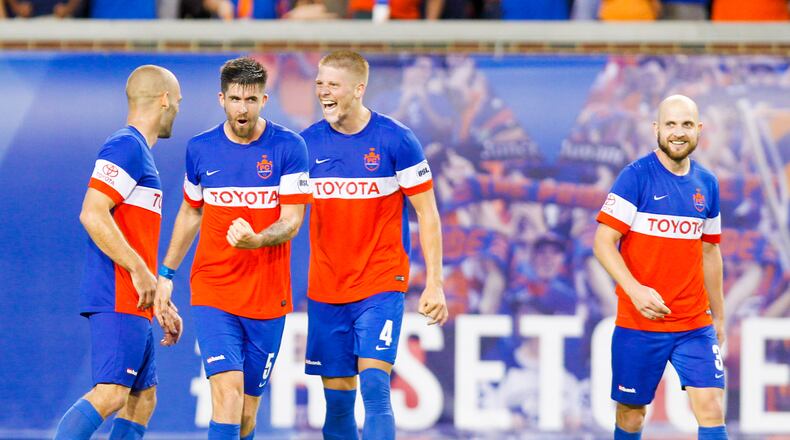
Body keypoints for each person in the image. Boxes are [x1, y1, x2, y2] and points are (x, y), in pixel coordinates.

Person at [153, 56, 311, 440]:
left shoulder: (290, 148)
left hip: (267, 294)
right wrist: (166, 276)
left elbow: (292, 221)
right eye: (237, 99)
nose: (244, 109)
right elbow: (191, 213)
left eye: (252, 100)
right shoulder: (201, 149)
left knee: (245, 414)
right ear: (221, 99)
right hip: (214, 291)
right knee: (226, 394)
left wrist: (257, 239)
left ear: (265, 100)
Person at [300, 50, 448, 440]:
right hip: (326, 288)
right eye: (319, 83)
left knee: (374, 387)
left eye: (333, 84)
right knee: (337, 399)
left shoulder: (396, 140)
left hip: (380, 284)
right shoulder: (305, 146)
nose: (323, 92)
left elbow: (428, 213)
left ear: (359, 89)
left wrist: (435, 282)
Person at [53, 65, 184, 440]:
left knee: (143, 399)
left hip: (136, 297)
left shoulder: (138, 150)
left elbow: (131, 231)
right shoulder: (126, 145)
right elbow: (92, 212)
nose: (177, 108)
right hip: (118, 292)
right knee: (111, 394)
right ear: (163, 99)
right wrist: (140, 271)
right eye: (177, 101)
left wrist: (157, 293)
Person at [593, 95, 727, 440]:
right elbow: (602, 243)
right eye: (670, 124)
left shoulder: (707, 184)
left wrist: (720, 317)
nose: (678, 133)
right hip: (639, 322)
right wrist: (635, 290)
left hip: (694, 323)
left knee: (711, 406)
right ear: (656, 129)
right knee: (632, 416)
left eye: (686, 125)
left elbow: (710, 251)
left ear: (698, 130)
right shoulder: (635, 177)